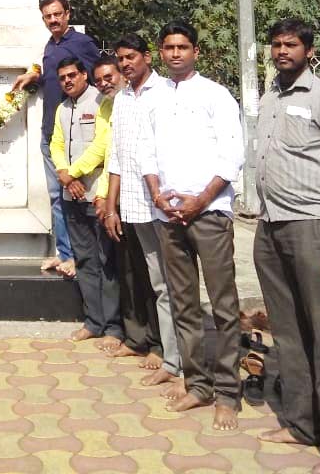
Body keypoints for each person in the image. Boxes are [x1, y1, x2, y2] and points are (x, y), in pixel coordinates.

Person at [254, 19, 320, 474]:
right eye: (277, 44)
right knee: (289, 334)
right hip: (270, 227)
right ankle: (300, 423)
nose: (282, 51)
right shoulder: (269, 97)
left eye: (291, 44)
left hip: (312, 229)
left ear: (309, 52)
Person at [142, 21, 244, 431]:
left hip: (210, 213)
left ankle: (229, 394)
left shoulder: (215, 95)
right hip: (168, 215)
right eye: (168, 47)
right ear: (161, 52)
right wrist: (156, 194)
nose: (175, 54)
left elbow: (232, 154)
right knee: (183, 304)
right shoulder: (156, 98)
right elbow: (146, 152)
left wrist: (201, 200)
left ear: (196, 52)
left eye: (183, 47)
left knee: (222, 306)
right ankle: (197, 385)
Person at [99, 36, 182, 390]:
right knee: (150, 281)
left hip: (161, 205)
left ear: (148, 57)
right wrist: (112, 205)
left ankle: (175, 358)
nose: (126, 64)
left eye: (131, 57)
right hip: (132, 205)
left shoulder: (165, 93)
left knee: (169, 284)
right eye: (121, 59)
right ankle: (161, 351)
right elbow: (117, 156)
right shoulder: (122, 100)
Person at [13, 0, 100, 277]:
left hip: (77, 133)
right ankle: (64, 253)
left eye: (57, 15)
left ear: (67, 14)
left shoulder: (81, 44)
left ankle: (81, 257)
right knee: (56, 197)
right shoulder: (51, 46)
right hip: (51, 132)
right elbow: (55, 79)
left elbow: (92, 79)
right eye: (48, 16)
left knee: (77, 196)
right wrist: (34, 78)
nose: (53, 20)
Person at [49, 58, 123, 343]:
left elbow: (102, 147)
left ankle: (114, 328)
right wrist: (65, 175)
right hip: (71, 195)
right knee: (85, 261)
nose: (67, 81)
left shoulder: (101, 101)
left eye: (72, 75)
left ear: (84, 76)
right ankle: (93, 322)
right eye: (62, 77)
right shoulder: (62, 108)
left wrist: (74, 173)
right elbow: (56, 144)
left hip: (97, 195)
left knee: (107, 263)